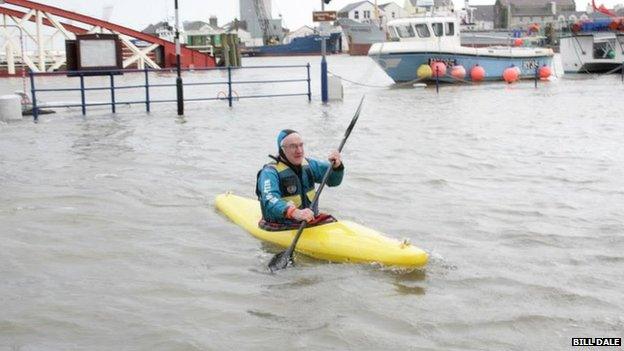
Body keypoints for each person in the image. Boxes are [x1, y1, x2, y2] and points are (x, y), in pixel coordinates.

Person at [255, 129, 344, 229]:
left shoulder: (309, 165)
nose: (299, 150)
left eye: (301, 145)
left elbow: (334, 181)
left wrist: (337, 167)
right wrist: (294, 212)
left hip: (309, 221)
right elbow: (269, 199)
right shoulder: (269, 172)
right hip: (280, 225)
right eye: (293, 146)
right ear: (281, 150)